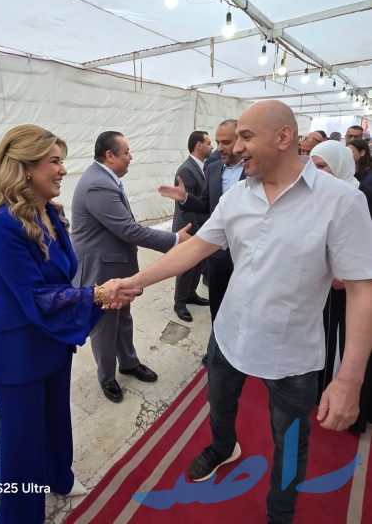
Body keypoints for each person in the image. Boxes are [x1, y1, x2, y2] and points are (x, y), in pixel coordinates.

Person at [111, 101, 372, 524]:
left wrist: (349, 380)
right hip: (229, 335)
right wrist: (137, 281)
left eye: (246, 137)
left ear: (283, 137)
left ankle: (280, 514)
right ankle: (222, 447)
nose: (234, 148)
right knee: (220, 404)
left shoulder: (341, 202)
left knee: (291, 442)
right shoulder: (238, 195)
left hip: (291, 357)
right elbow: (197, 248)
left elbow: (361, 290)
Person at [0, 125, 135, 524]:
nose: (63, 170)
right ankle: (19, 516)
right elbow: (36, 295)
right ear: (26, 168)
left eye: (62, 160)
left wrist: (100, 295)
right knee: (21, 443)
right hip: (17, 350)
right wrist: (97, 295)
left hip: (50, 340)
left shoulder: (50, 213)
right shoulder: (1, 225)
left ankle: (58, 478)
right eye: (54, 161)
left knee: (55, 419)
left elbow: (64, 280)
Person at [71, 131, 191, 403]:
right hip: (101, 269)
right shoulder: (97, 185)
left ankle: (128, 362)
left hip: (115, 264)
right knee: (104, 326)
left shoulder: (104, 179)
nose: (130, 157)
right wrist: (174, 240)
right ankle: (107, 376)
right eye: (126, 152)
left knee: (123, 318)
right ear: (110, 155)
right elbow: (128, 230)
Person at [159, 119, 245, 365]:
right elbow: (206, 203)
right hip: (218, 253)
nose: (220, 147)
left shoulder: (254, 168)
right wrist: (185, 198)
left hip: (246, 253)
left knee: (243, 306)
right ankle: (217, 349)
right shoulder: (214, 168)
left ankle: (242, 349)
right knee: (218, 305)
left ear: (240, 141)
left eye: (225, 142)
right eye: (217, 142)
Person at [310, 140, 372, 433]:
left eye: (322, 166)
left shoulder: (360, 196)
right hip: (324, 287)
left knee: (350, 346)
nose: (316, 173)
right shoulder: (316, 196)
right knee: (325, 340)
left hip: (353, 289)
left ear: (340, 164)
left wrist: (347, 274)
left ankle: (349, 407)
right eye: (312, 167)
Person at [172, 131, 212, 323]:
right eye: (209, 143)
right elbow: (185, 206)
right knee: (186, 265)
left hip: (201, 227)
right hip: (189, 228)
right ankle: (179, 302)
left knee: (197, 265)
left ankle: (190, 294)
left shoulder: (202, 167)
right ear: (198, 145)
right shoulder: (186, 170)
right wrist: (195, 232)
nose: (212, 147)